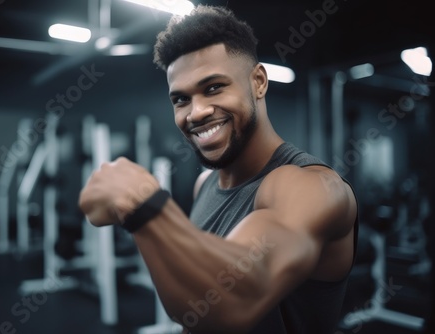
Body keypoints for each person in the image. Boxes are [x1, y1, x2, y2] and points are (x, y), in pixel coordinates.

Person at [79, 5, 358, 334]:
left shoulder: (311, 187)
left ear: (258, 82)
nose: (195, 112)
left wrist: (141, 206)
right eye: (181, 99)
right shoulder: (205, 183)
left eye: (214, 88)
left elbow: (231, 300)